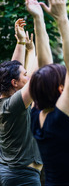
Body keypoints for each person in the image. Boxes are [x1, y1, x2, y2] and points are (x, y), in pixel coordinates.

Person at [29, 0, 69, 186]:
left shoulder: (38, 116)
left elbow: (43, 69)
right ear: (61, 89)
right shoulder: (59, 120)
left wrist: (39, 19)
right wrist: (61, 18)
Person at [0, 18, 42, 186]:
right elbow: (37, 76)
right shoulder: (13, 105)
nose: (28, 76)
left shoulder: (5, 99)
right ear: (14, 83)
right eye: (25, 74)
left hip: (10, 172)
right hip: (22, 177)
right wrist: (41, 30)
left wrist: (21, 42)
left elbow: (12, 69)